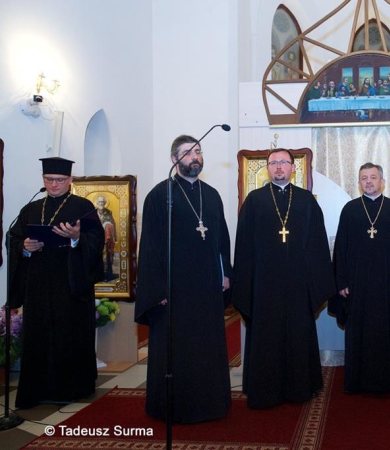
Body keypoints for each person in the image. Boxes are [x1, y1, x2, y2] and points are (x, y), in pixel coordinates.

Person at [135, 135, 232, 423]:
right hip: (174, 291)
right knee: (176, 349)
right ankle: (173, 405)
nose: (195, 157)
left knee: (206, 346)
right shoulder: (159, 196)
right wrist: (156, 288)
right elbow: (150, 247)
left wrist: (225, 271)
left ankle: (211, 402)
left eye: (198, 151)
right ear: (174, 159)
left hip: (206, 289)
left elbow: (221, 238)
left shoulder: (211, 195)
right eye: (188, 152)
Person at [232, 148, 335, 409]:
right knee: (266, 336)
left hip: (299, 285)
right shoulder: (254, 201)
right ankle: (265, 389)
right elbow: (243, 246)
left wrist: (316, 282)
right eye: (274, 163)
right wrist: (246, 283)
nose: (279, 167)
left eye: (284, 163)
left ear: (293, 168)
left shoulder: (306, 200)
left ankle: (300, 387)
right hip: (264, 285)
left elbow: (318, 244)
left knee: (298, 333)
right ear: (267, 168)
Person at [8, 157, 104, 409]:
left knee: (69, 334)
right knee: (38, 335)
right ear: (43, 180)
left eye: (59, 180)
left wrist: (76, 237)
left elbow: (97, 241)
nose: (53, 184)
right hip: (38, 284)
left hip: (71, 284)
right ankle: (36, 389)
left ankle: (72, 388)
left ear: (70, 180)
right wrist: (25, 247)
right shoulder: (31, 208)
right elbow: (14, 238)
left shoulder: (83, 207)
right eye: (49, 180)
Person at [330, 163, 390, 394]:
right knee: (357, 329)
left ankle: (388, 382)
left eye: (373, 177)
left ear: (382, 181)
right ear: (359, 184)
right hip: (356, 282)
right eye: (364, 178)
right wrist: (341, 281)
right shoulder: (350, 209)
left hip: (386, 282)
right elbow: (340, 249)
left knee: (384, 329)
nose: (368, 181)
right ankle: (356, 382)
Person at [96, 195, 117, 281]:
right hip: (95, 238)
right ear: (97, 203)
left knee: (106, 256)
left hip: (106, 239)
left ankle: (106, 275)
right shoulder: (94, 212)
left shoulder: (108, 212)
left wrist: (107, 225)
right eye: (100, 202)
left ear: (105, 203)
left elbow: (112, 223)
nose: (101, 203)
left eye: (102, 202)